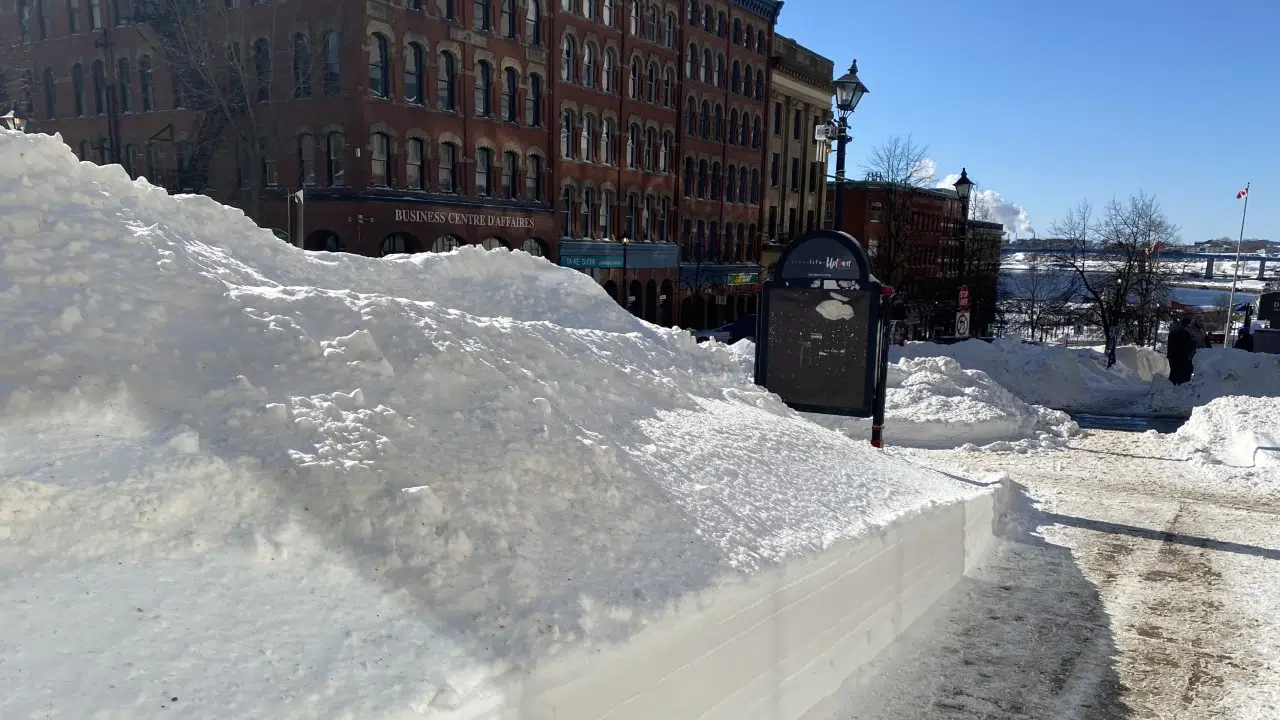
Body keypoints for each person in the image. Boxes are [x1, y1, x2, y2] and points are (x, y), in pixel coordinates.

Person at [1166, 316, 1195, 385]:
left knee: (1174, 374)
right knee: (1183, 375)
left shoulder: (1174, 332)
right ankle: (1179, 389)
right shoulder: (1185, 333)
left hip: (1174, 357)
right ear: (1187, 325)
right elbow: (1187, 346)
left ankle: (1171, 388)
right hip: (1183, 357)